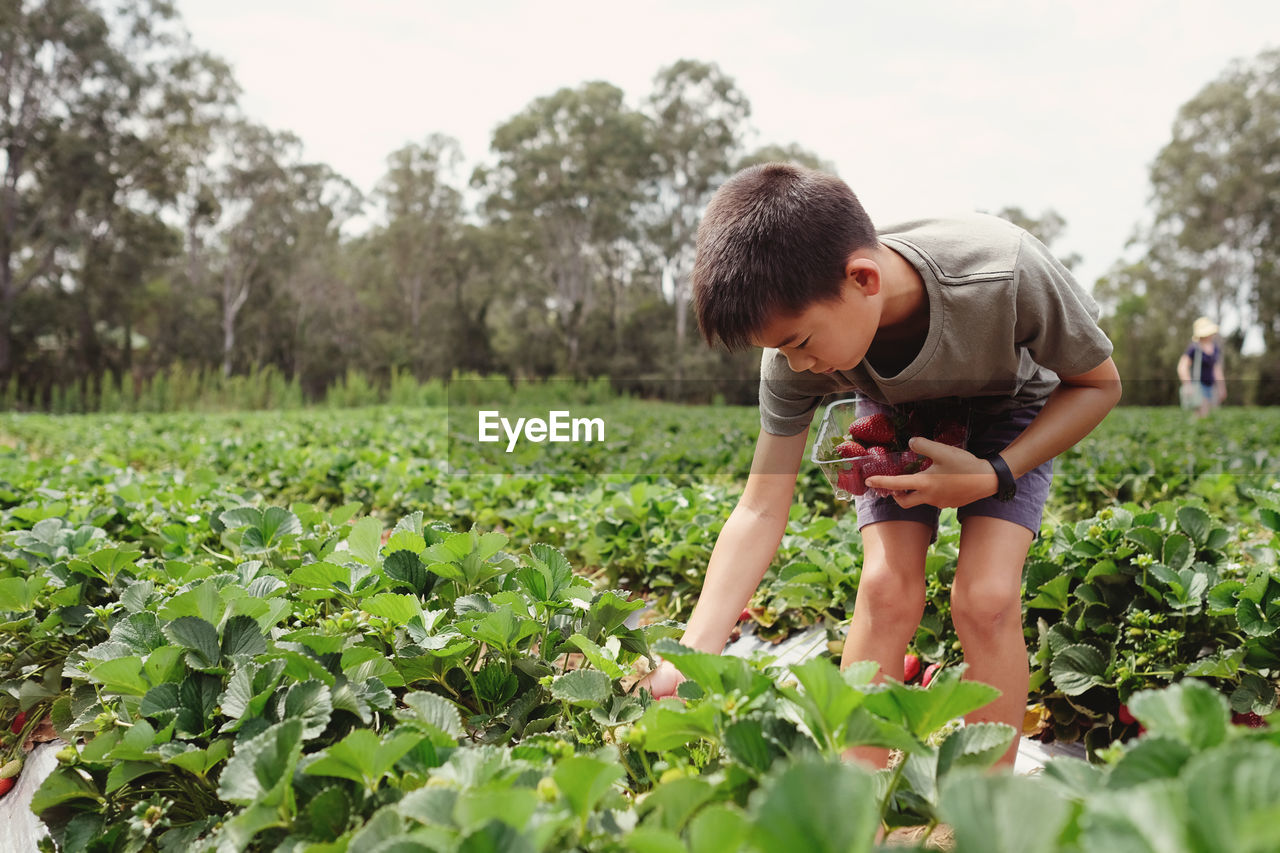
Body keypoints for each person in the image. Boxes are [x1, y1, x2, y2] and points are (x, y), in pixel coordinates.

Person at [638, 163, 1122, 768]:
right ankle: (853, 797)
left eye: (800, 343)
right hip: (898, 408)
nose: (797, 363)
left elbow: (1098, 384)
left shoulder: (1005, 274)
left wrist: (994, 472)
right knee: (885, 588)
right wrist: (692, 651)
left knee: (987, 598)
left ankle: (985, 809)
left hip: (1013, 409)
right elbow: (761, 504)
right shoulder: (796, 353)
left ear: (863, 279)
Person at [1177, 317, 1226, 417]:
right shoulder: (1194, 348)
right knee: (1202, 414)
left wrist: (1222, 387)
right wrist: (1187, 384)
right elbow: (1182, 366)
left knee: (1208, 415)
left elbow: (1217, 369)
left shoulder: (1215, 348)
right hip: (1199, 387)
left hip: (1211, 387)